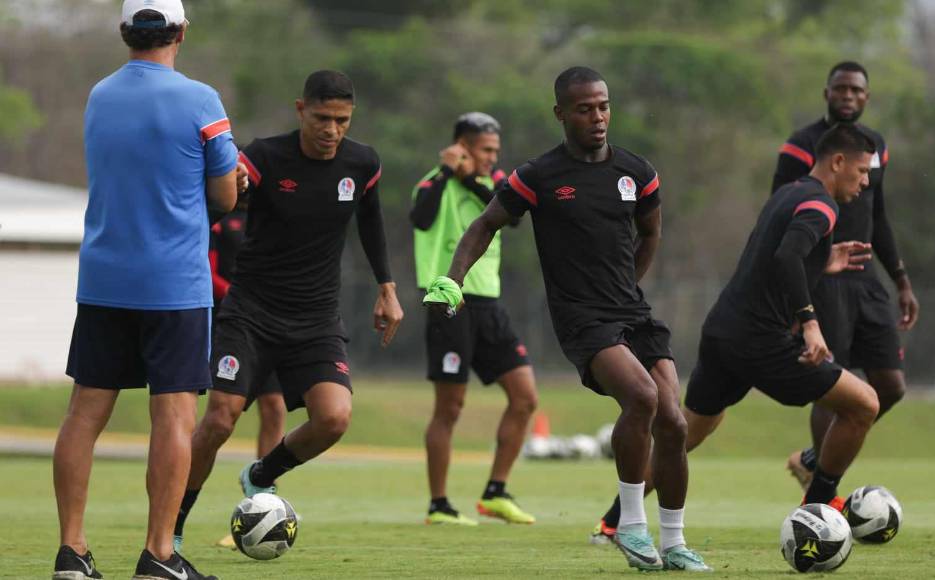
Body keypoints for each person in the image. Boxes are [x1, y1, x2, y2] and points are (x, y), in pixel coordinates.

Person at [423, 67, 710, 572]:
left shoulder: (637, 172)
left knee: (674, 422)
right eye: (584, 109)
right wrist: (453, 279)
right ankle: (630, 525)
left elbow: (651, 233)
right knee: (642, 398)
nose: (597, 117)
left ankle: (675, 543)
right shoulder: (539, 176)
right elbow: (485, 225)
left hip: (632, 312)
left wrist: (628, 284)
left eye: (603, 106)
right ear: (561, 113)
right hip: (582, 319)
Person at [589, 124, 882, 546]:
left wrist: (821, 262)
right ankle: (816, 510)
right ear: (838, 162)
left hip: (724, 330)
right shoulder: (822, 206)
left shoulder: (790, 193)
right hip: (761, 341)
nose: (865, 181)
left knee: (688, 432)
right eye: (862, 170)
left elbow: (777, 257)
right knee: (864, 405)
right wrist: (811, 323)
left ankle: (612, 523)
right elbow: (787, 256)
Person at [172, 70, 404, 551]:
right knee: (219, 420)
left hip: (316, 319)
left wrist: (387, 288)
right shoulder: (264, 157)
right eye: (322, 118)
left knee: (334, 418)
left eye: (342, 120)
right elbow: (219, 201)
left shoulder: (362, 163)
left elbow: (371, 222)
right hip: (251, 314)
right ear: (301, 110)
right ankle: (169, 531)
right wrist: (233, 184)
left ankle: (261, 474)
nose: (331, 130)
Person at [53, 1, 236, 579]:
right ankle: (159, 554)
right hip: (174, 284)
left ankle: (71, 551)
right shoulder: (202, 100)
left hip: (104, 277)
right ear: (181, 32)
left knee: (84, 414)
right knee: (174, 418)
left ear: (125, 32)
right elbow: (226, 195)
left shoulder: (99, 95)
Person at [771, 62, 919, 490]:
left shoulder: (876, 146)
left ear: (867, 97)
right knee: (830, 386)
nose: (848, 96)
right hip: (824, 279)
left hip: (866, 282)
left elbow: (879, 215)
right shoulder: (801, 146)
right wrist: (793, 293)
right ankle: (823, 494)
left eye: (856, 90)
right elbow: (777, 213)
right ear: (827, 93)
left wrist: (901, 280)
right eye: (841, 89)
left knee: (890, 385)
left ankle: (814, 461)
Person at [411, 113, 539, 526]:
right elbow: (421, 218)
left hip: (490, 305)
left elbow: (512, 218)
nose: (492, 158)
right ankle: (439, 505)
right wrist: (449, 173)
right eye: (485, 150)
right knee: (450, 407)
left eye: (495, 151)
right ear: (462, 147)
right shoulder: (431, 183)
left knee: (525, 397)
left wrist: (469, 178)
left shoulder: (493, 186)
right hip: (450, 303)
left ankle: (495, 493)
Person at [206, 207, 287, 550]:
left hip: (268, 324)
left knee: (275, 407)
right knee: (221, 419)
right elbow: (208, 272)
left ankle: (262, 504)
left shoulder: (269, 213)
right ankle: (177, 509)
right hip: (233, 326)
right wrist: (243, 298)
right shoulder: (219, 221)